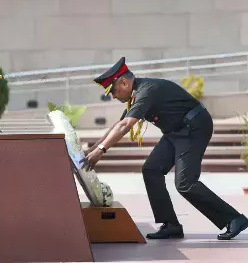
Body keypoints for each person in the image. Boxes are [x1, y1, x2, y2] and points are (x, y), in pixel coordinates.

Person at [83, 57, 248, 240]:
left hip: (193, 127)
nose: (113, 96)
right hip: (175, 132)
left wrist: (101, 151)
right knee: (151, 169)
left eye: (113, 91)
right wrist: (93, 149)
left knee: (185, 184)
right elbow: (119, 124)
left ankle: (234, 219)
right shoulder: (136, 95)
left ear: (124, 82)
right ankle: (170, 225)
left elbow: (125, 126)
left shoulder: (147, 91)